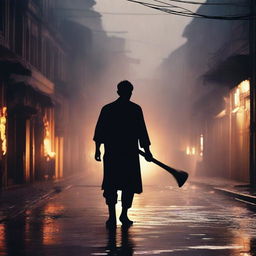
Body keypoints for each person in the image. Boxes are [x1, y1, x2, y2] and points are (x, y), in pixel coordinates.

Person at [93, 80, 153, 228]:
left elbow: (141, 132)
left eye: (129, 92)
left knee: (118, 186)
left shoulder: (110, 109)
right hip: (125, 154)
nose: (128, 94)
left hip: (117, 154)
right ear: (120, 92)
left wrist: (147, 150)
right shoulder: (133, 109)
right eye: (127, 92)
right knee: (123, 186)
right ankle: (118, 216)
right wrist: (146, 151)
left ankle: (117, 216)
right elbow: (141, 133)